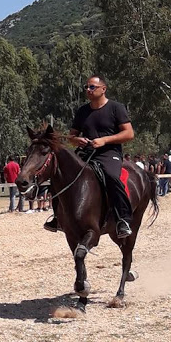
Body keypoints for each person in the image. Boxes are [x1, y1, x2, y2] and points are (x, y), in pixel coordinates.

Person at [45, 75, 134, 239]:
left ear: (103, 89)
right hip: (86, 153)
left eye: (92, 87)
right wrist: (76, 140)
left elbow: (129, 133)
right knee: (60, 175)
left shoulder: (116, 108)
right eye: (86, 87)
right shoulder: (82, 111)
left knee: (112, 177)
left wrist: (105, 140)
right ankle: (57, 218)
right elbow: (72, 137)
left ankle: (123, 219)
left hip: (109, 153)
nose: (88, 90)